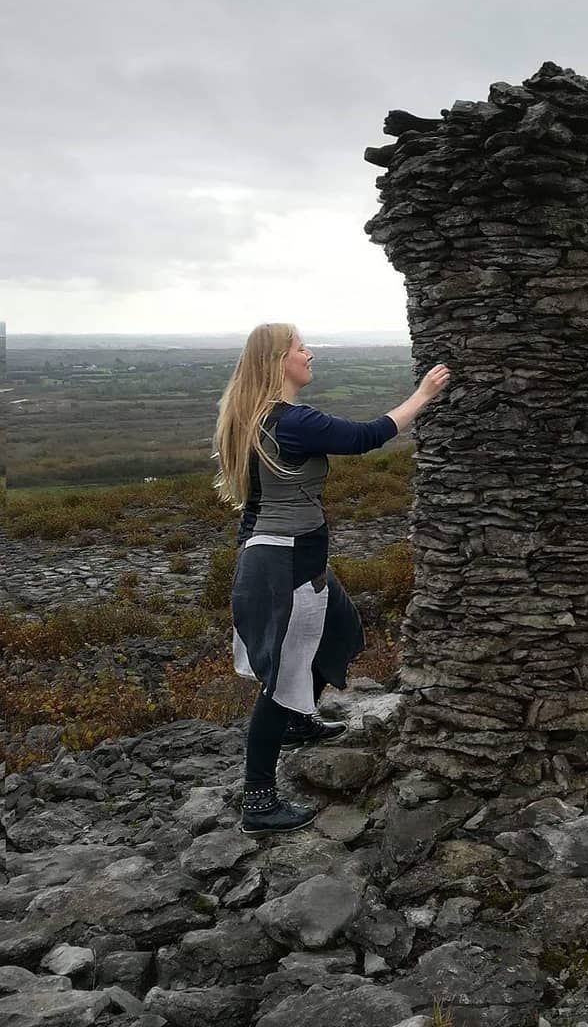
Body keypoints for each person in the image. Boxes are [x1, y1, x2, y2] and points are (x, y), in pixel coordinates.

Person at [212, 323, 449, 834]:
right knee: (281, 678)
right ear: (279, 360)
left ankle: (298, 721)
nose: (309, 354)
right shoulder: (292, 421)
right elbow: (364, 437)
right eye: (301, 348)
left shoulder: (258, 416)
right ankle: (258, 802)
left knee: (342, 630)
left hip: (287, 556)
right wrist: (424, 395)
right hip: (284, 563)